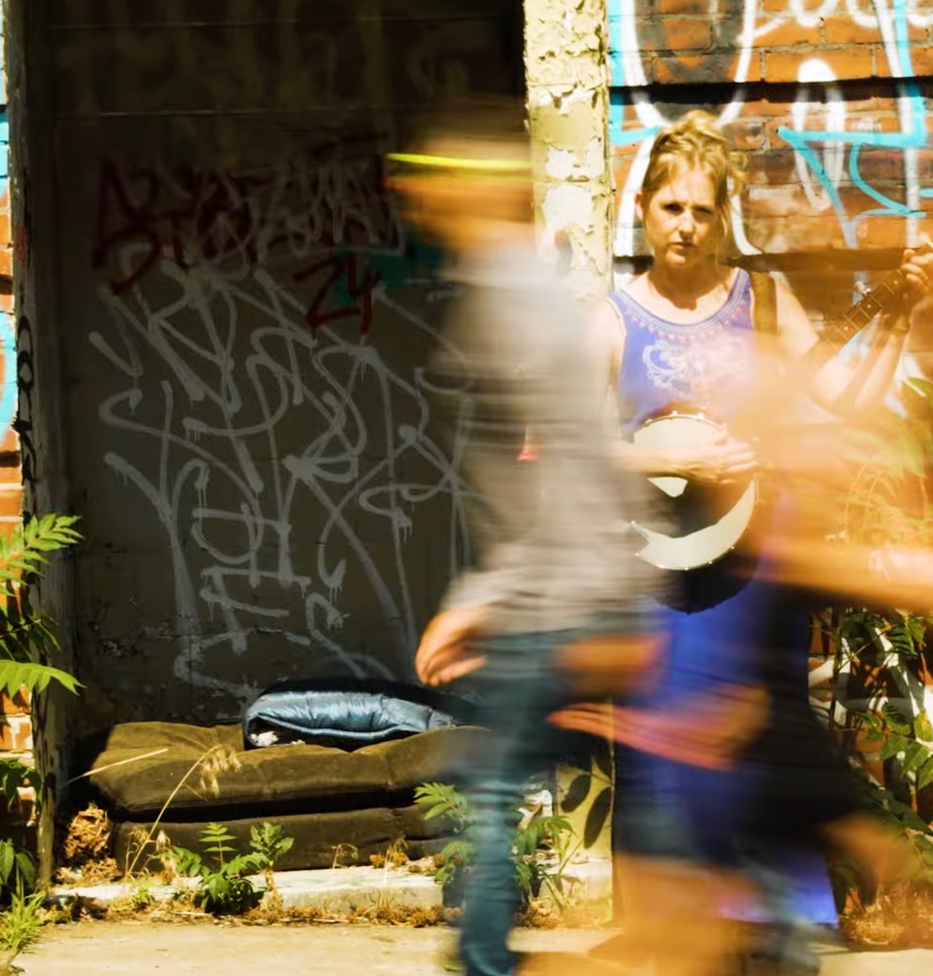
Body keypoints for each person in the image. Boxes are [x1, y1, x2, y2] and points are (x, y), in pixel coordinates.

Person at [579, 109, 933, 971]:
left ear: (723, 217)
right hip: (661, 574)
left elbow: (842, 401)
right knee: (667, 740)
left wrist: (900, 310)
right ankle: (676, 924)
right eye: (671, 208)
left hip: (757, 564)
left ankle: (784, 924)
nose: (685, 226)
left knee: (762, 731)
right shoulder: (610, 322)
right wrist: (664, 456)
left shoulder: (765, 302)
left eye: (703, 211)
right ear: (644, 210)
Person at [389, 105, 658, 976]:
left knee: (492, 787)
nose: (415, 196)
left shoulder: (511, 304)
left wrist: (482, 600)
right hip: (576, 589)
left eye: (433, 182)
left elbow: (560, 463)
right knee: (615, 772)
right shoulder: (516, 292)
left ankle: (485, 961)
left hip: (558, 599)